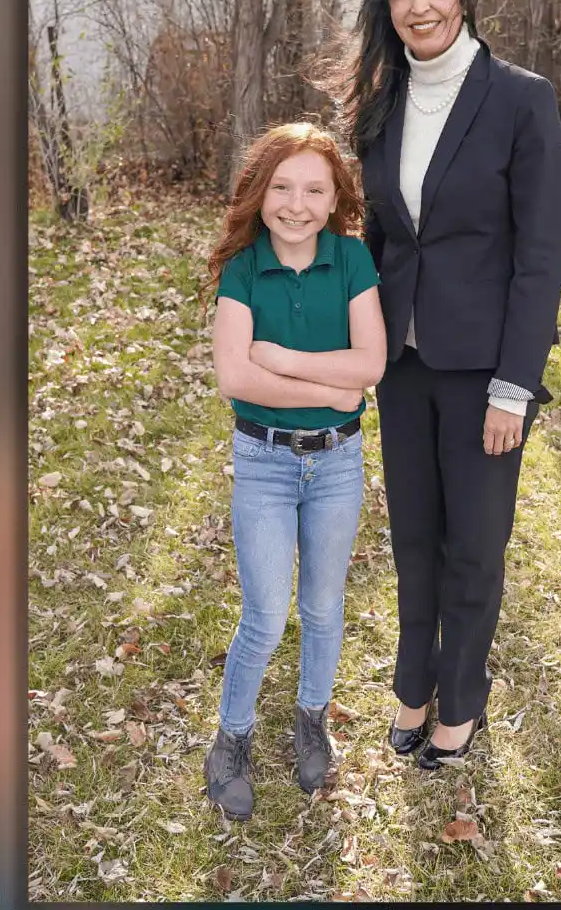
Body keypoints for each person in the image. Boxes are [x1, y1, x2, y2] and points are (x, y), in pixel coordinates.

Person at [322, 0, 561, 769]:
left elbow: (540, 258)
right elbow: (379, 241)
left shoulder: (521, 100)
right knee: (415, 540)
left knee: (473, 545)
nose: (418, 5)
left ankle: (461, 704)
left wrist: (515, 386)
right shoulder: (382, 102)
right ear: (386, 6)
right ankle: (412, 687)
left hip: (484, 373)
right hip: (402, 367)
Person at [201, 122, 386, 821]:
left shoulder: (352, 259)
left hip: (337, 462)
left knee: (324, 607)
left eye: (314, 189)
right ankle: (232, 738)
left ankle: (312, 721)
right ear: (260, 192)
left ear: (335, 196)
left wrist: (280, 360)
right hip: (264, 461)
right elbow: (233, 377)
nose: (296, 205)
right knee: (266, 613)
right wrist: (332, 388)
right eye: (282, 187)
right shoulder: (244, 268)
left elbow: (370, 365)